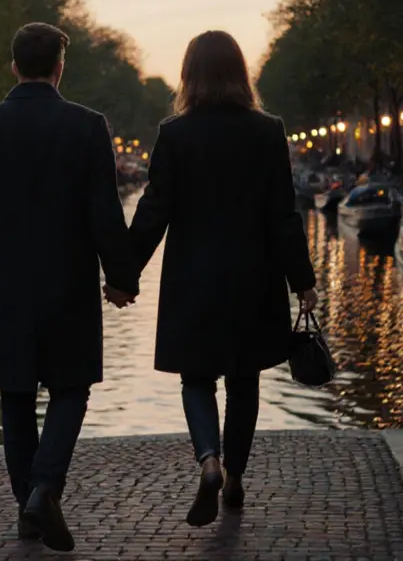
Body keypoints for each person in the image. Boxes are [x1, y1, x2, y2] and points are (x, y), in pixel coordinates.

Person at [0, 22, 139, 552]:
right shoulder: (88, 126)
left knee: (15, 398)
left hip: (5, 289)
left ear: (13, 66)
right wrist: (121, 279)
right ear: (59, 68)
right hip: (68, 285)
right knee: (71, 389)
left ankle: (28, 508)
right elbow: (104, 212)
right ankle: (44, 489)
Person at [126, 31, 318, 528]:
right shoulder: (268, 130)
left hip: (193, 278)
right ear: (241, 73)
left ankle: (207, 458)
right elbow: (283, 215)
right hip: (254, 278)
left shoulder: (174, 133)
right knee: (244, 380)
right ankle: (234, 479)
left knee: (196, 378)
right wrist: (304, 281)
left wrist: (124, 274)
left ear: (188, 75)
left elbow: (153, 211)